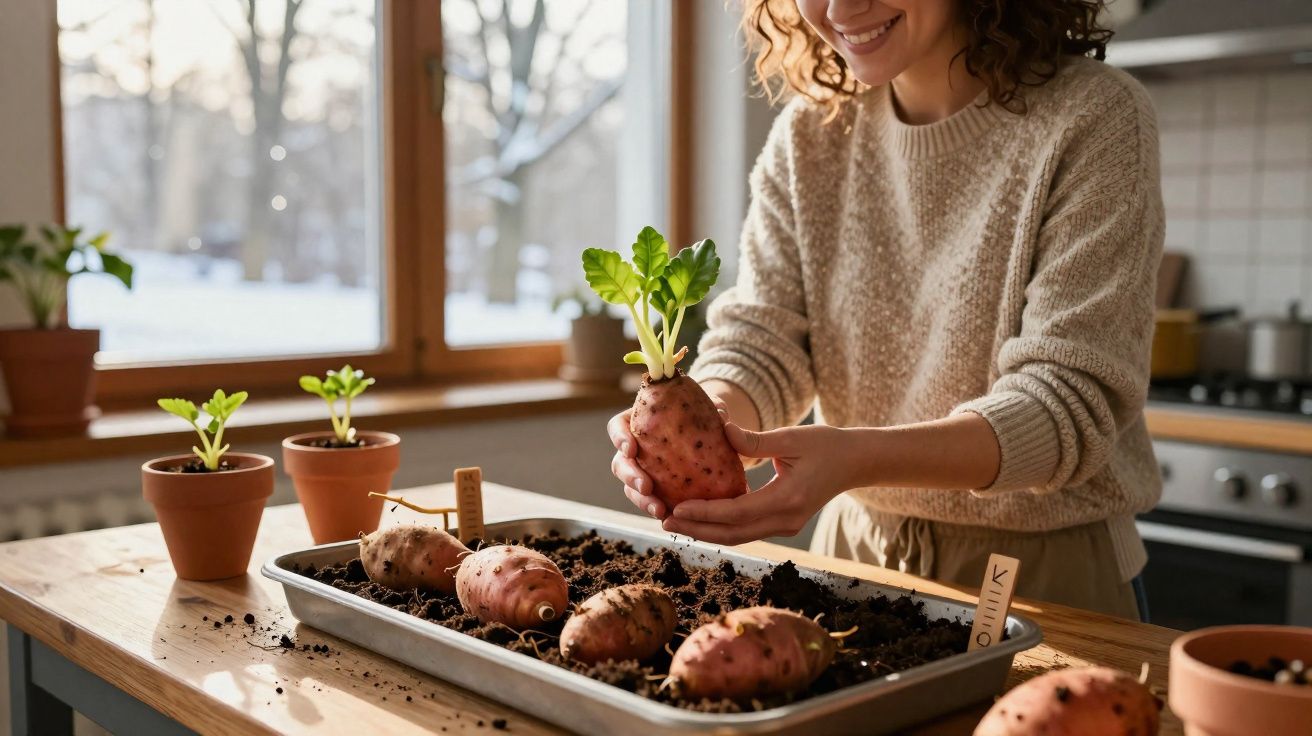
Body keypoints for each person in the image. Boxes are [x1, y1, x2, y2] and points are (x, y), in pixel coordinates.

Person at [607, 0, 1163, 620]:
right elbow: (762, 343)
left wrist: (859, 458)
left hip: (1038, 576)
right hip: (850, 559)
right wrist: (699, 424)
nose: (841, 8)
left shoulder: (1094, 117)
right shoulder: (808, 136)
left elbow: (1066, 403)